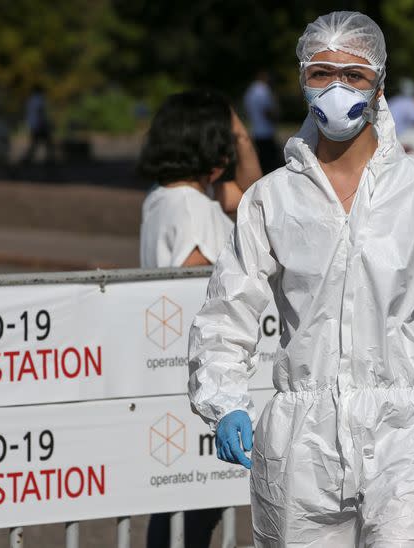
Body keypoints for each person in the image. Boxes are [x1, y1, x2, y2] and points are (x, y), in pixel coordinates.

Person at [188, 11, 414, 547]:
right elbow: (229, 307)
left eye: (354, 75)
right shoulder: (273, 199)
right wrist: (223, 397)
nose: (337, 87)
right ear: (302, 81)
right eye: (321, 72)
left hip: (410, 437)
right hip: (301, 442)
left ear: (379, 83)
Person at [137, 89, 261, 546]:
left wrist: (242, 137)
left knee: (179, 509)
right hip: (196, 371)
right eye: (228, 136)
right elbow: (198, 284)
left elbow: (252, 194)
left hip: (175, 371)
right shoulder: (194, 207)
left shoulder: (165, 197)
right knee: (194, 507)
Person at [243, 70, 283, 174]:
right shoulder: (263, 91)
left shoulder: (250, 91)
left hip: (256, 131)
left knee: (262, 162)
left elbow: (247, 111)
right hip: (266, 132)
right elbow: (267, 111)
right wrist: (276, 117)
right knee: (272, 166)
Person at [22, 85, 55, 163]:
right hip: (40, 126)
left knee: (35, 144)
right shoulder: (39, 99)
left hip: (33, 125)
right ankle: (50, 160)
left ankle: (26, 160)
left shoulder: (30, 100)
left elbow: (29, 114)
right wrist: (46, 124)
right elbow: (40, 113)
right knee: (46, 144)